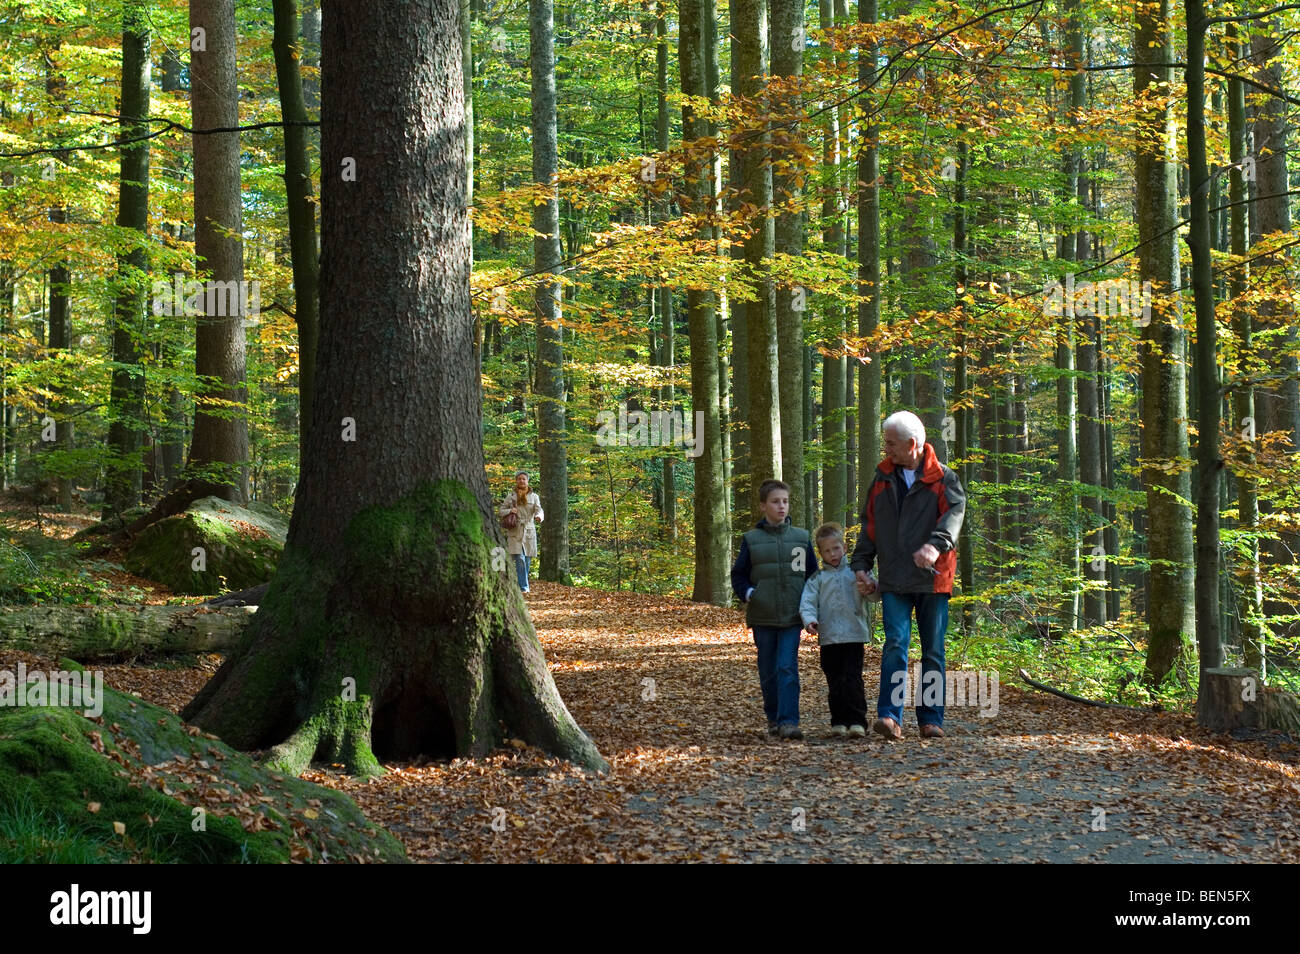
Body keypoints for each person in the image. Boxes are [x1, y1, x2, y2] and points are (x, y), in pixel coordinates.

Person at [851, 410, 966, 741]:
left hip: (933, 579)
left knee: (933, 651)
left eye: (891, 443)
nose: (886, 449)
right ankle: (889, 716)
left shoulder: (945, 478)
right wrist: (861, 564)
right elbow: (869, 526)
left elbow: (954, 516)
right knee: (896, 645)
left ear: (912, 444)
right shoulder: (882, 478)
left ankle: (931, 720)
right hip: (894, 579)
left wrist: (936, 545)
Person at [730, 479, 817, 740]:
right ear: (763, 506)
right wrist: (750, 594)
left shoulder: (801, 539)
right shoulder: (752, 540)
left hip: (792, 616)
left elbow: (811, 576)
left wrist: (811, 611)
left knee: (787, 667)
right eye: (776, 501)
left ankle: (789, 721)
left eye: (785, 501)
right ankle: (773, 718)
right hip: (763, 616)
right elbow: (739, 575)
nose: (781, 506)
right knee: (768, 669)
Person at [800, 523, 877, 738]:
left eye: (836, 548)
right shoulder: (817, 578)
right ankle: (839, 722)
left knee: (852, 678)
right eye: (826, 550)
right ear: (820, 553)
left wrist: (870, 586)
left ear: (844, 547)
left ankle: (857, 722)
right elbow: (807, 602)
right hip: (829, 638)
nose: (832, 554)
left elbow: (873, 596)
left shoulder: (856, 572)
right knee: (834, 680)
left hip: (854, 635)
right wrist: (810, 620)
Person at [499, 471, 544, 593]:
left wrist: (539, 516)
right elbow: (501, 510)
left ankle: (521, 584)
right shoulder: (511, 496)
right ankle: (524, 588)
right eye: (519, 479)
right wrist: (510, 511)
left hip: (529, 530)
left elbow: (539, 510)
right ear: (516, 481)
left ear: (527, 481)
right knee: (520, 558)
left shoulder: (534, 496)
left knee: (527, 560)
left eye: (524, 479)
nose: (521, 481)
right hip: (515, 530)